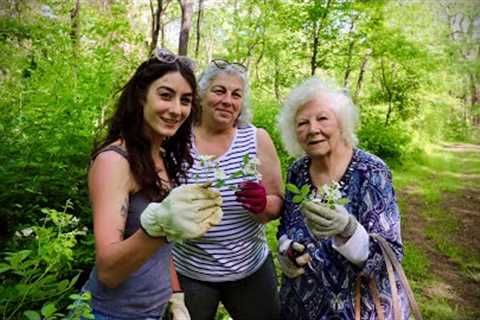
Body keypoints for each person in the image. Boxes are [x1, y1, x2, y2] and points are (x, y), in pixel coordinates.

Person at [81, 48, 223, 320]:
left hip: (154, 310)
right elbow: (109, 271)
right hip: (112, 313)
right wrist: (161, 226)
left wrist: (176, 295)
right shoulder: (115, 161)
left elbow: (161, 243)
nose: (176, 110)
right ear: (141, 96)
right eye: (165, 95)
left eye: (185, 100)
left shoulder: (160, 156)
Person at [276, 77, 409, 319]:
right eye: (302, 123)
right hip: (302, 308)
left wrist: (349, 230)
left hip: (360, 308)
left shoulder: (371, 171)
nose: (313, 129)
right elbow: (287, 227)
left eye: (322, 118)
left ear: (341, 123)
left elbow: (391, 255)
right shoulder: (297, 170)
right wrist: (287, 252)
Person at [172, 59, 283, 320]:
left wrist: (262, 204)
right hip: (191, 270)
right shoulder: (177, 139)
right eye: (219, 91)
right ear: (200, 95)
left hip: (250, 268)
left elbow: (278, 202)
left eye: (236, 95)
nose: (227, 100)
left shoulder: (256, 138)